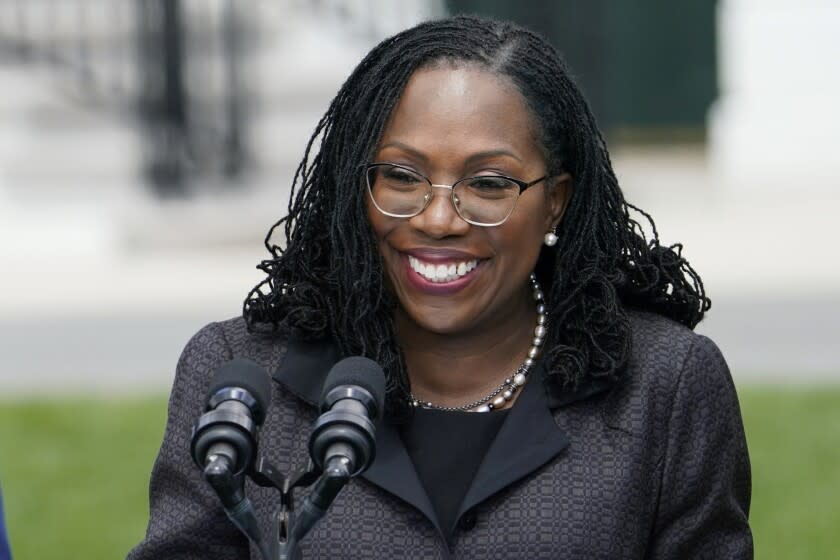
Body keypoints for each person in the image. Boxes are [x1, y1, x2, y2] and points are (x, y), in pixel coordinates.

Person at [128, 15, 752, 559]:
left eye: (488, 184)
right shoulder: (241, 380)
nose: (437, 218)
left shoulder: (665, 388)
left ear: (555, 203)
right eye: (402, 175)